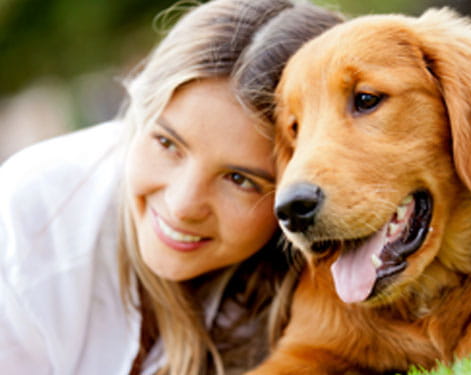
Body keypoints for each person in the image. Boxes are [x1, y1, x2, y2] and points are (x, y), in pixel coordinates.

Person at [0, 0, 343, 374]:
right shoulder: (34, 220)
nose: (182, 205)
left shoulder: (313, 290)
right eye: (167, 144)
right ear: (139, 113)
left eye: (240, 180)